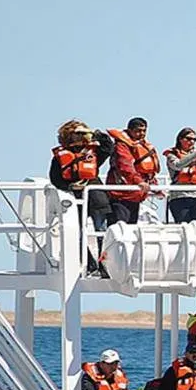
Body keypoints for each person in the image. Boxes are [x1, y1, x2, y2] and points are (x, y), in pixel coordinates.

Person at [49, 120, 115, 276]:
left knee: (101, 232)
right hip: (75, 200)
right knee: (78, 233)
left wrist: (94, 133)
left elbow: (109, 147)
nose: (79, 137)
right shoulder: (60, 157)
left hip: (97, 199)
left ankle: (104, 265)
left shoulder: (93, 153)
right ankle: (90, 263)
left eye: (81, 133)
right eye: (76, 134)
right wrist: (70, 187)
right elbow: (55, 178)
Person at [106, 117, 160, 226]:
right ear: (130, 130)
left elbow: (147, 171)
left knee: (131, 228)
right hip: (121, 194)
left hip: (135, 195)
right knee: (120, 228)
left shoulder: (143, 146)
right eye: (138, 131)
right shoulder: (121, 146)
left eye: (144, 130)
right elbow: (125, 166)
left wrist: (154, 186)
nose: (142, 133)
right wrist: (139, 181)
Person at [163, 127, 196, 224]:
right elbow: (177, 165)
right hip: (180, 197)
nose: (192, 142)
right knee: (185, 227)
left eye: (194, 139)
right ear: (180, 139)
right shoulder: (172, 155)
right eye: (188, 139)